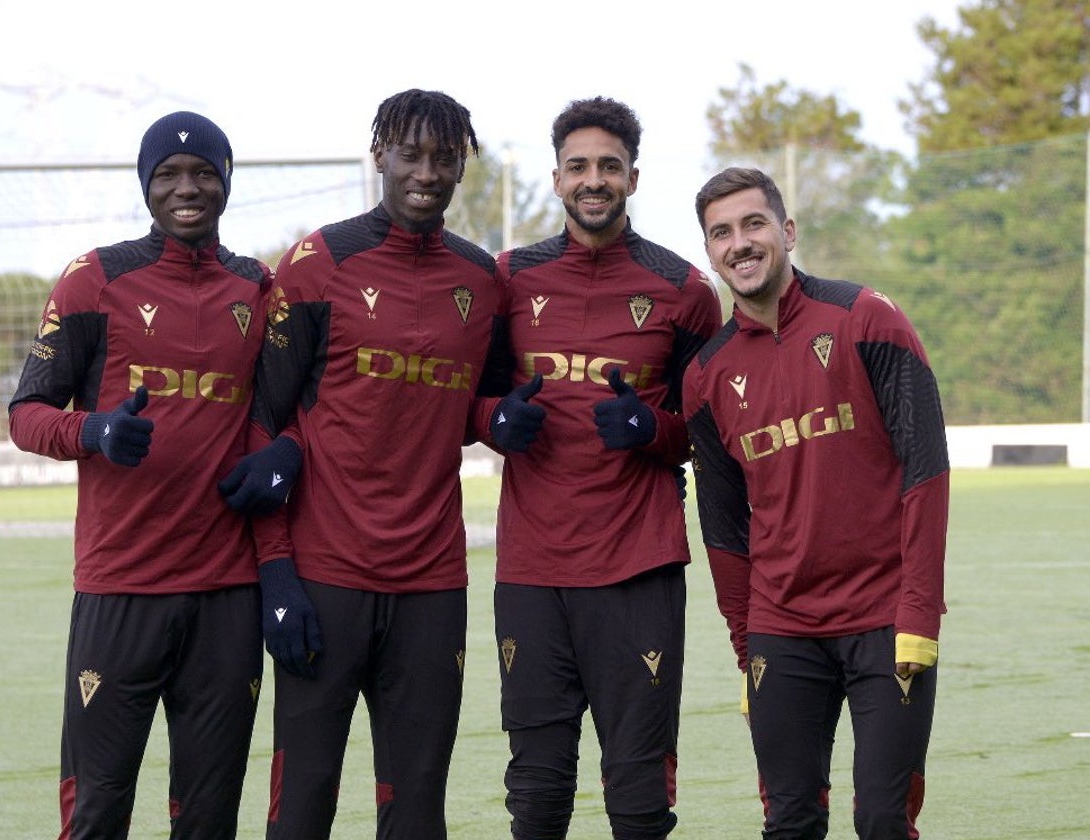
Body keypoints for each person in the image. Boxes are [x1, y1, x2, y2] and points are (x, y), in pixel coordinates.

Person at [222, 89, 502, 840]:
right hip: (323, 578)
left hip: (433, 582)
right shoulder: (319, 262)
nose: (427, 172)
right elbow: (264, 421)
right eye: (411, 154)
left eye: (445, 158)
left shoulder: (483, 281)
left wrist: (499, 418)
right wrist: (276, 572)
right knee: (304, 801)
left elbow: (485, 403)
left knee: (417, 809)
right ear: (380, 155)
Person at [8, 111, 271, 839]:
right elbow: (26, 413)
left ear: (225, 182)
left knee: (210, 816)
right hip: (119, 588)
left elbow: (280, 416)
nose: (187, 189)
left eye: (203, 174)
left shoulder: (257, 289)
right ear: (145, 186)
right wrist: (93, 431)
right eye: (168, 175)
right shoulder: (94, 280)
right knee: (96, 811)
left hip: (227, 595)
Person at [473, 96, 722, 840]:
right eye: (578, 166)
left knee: (640, 800)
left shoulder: (684, 291)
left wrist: (653, 429)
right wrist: (495, 422)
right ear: (555, 179)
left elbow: (708, 435)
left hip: (636, 570)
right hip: (532, 572)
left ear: (634, 178)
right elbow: (465, 401)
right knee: (538, 792)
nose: (594, 180)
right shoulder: (507, 278)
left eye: (609, 167)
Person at [683, 166, 949, 839]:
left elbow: (925, 469)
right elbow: (722, 525)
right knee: (791, 821)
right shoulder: (707, 375)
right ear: (709, 252)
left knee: (884, 820)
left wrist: (917, 610)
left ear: (787, 232)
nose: (739, 244)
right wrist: (748, 649)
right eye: (721, 234)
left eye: (753, 224)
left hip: (885, 620)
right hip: (782, 629)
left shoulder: (866, 318)